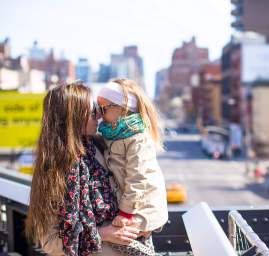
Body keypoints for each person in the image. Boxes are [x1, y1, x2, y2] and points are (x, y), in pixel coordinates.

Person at [25, 81, 139, 255]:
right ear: (72, 118)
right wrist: (101, 234)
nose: (99, 116)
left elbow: (136, 183)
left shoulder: (102, 147)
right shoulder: (53, 170)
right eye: (93, 111)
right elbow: (49, 241)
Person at [96, 78, 168, 255]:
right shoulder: (113, 133)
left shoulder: (138, 138)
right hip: (133, 205)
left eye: (104, 109)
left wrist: (126, 213)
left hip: (141, 207)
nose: (99, 114)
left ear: (123, 108)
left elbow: (138, 178)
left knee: (119, 240)